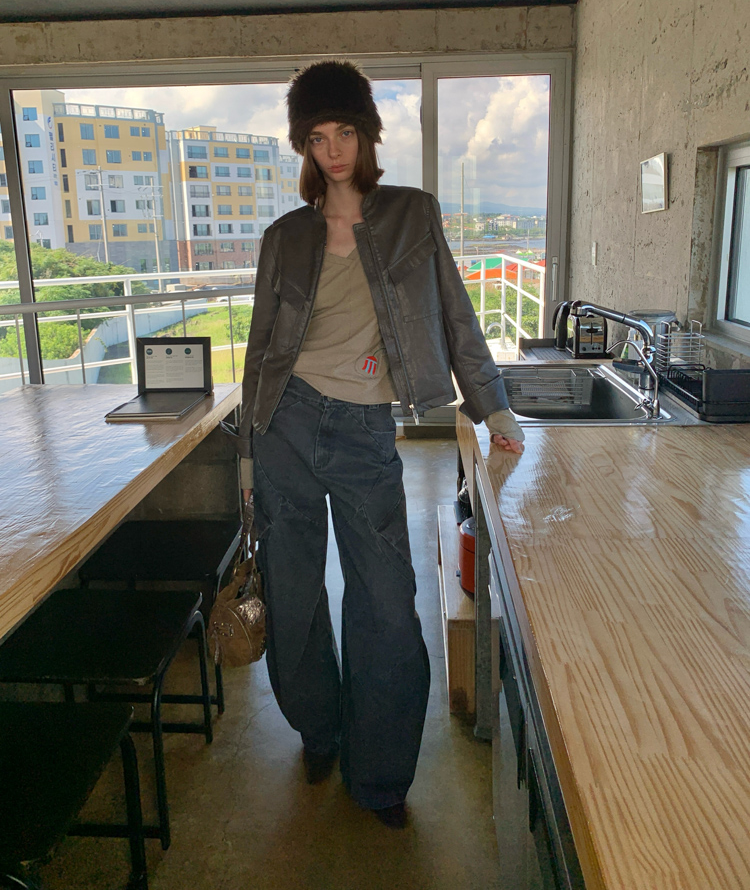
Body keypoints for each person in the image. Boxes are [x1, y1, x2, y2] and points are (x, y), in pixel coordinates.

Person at [237, 59, 524, 829]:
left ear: (366, 134)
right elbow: (260, 350)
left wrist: (493, 408)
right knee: (294, 599)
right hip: (284, 425)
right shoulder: (283, 237)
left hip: (365, 430)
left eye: (344, 132)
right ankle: (320, 730)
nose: (332, 150)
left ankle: (380, 774)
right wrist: (246, 458)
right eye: (317, 137)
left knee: (388, 608)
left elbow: (456, 315)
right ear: (304, 146)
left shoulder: (410, 214)